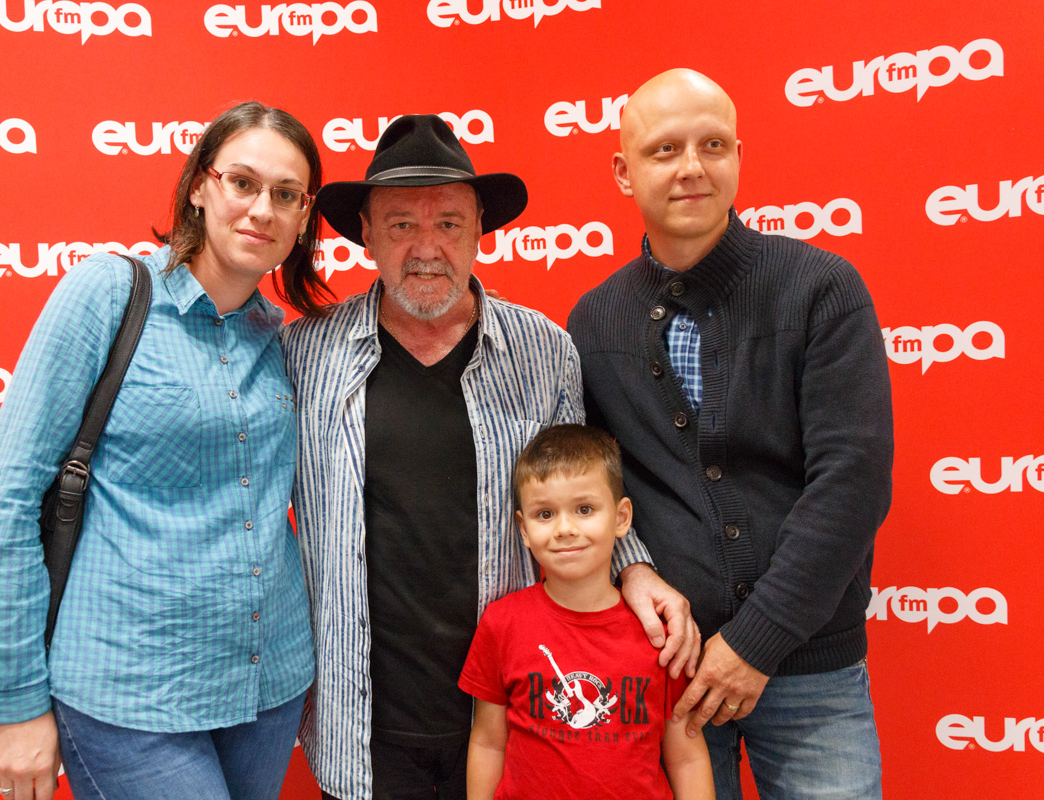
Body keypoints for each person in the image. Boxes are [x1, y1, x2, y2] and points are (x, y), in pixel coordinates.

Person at [281, 114, 698, 800]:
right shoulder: (305, 354)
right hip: (360, 727)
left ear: (480, 229)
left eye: (448, 223)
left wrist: (636, 567)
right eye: (401, 224)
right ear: (366, 235)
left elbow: (581, 487)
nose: (427, 248)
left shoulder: (544, 351)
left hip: (519, 721)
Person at [0, 101, 332, 800]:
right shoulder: (110, 293)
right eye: (242, 182)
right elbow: (2, 502)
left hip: (268, 684)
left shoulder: (278, 335)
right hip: (129, 691)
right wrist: (13, 704)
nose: (262, 209)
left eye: (287, 195)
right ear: (199, 187)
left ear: (305, 216)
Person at [568, 69, 893, 799]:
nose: (691, 167)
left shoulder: (821, 289)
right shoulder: (593, 321)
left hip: (811, 671)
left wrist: (755, 643)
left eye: (712, 145)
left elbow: (853, 481)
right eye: (665, 149)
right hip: (668, 671)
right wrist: (634, 570)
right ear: (623, 172)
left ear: (739, 157)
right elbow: (594, 486)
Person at [460, 424, 714, 800]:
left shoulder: (660, 633)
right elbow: (487, 743)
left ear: (621, 517)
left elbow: (686, 757)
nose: (564, 528)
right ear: (523, 528)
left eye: (584, 509)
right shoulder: (502, 624)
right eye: (545, 514)